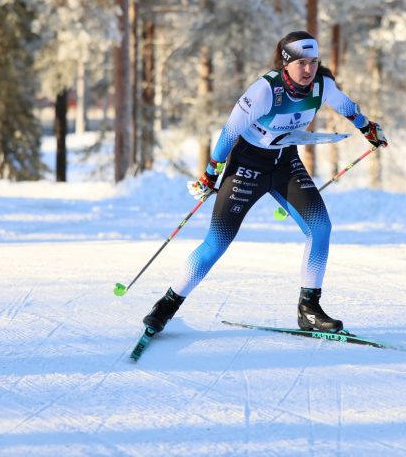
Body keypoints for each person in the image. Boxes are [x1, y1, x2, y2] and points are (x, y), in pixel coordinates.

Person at [142, 31, 388, 335]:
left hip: (285, 162)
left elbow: (348, 107)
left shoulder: (322, 85)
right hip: (248, 163)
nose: (309, 69)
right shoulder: (264, 91)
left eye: (313, 62)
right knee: (218, 241)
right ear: (286, 64)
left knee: (321, 227)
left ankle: (309, 310)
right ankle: (165, 307)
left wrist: (369, 129)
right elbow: (230, 132)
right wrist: (210, 173)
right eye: (301, 63)